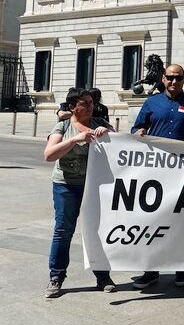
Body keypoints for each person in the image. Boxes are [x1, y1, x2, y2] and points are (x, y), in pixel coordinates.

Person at [130, 64, 184, 290]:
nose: (174, 81)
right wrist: (139, 133)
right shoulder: (151, 102)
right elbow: (138, 128)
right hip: (156, 172)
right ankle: (150, 270)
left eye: (179, 78)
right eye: (170, 77)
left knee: (181, 221)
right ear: (163, 79)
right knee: (153, 220)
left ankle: (181, 270)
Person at [43, 87, 116, 298]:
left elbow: (123, 146)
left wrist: (108, 134)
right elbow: (49, 155)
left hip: (94, 186)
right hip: (66, 185)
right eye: (85, 103)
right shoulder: (63, 126)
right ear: (73, 107)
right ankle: (56, 277)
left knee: (97, 230)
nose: (91, 106)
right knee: (63, 230)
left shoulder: (100, 124)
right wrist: (76, 139)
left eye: (92, 102)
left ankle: (103, 276)